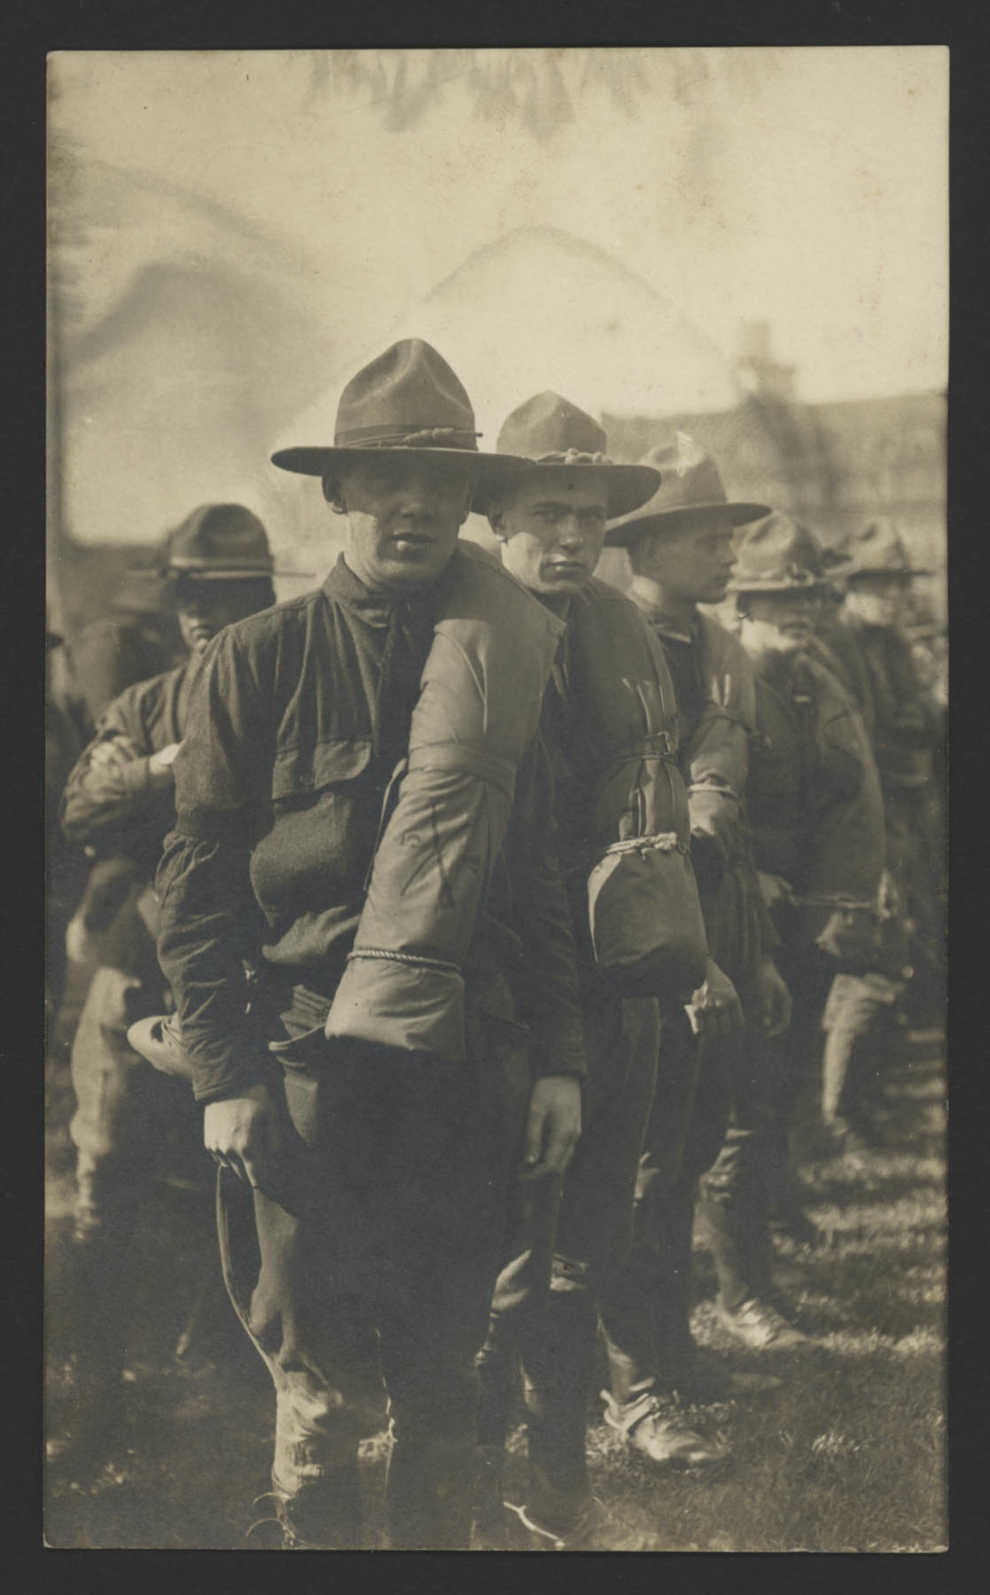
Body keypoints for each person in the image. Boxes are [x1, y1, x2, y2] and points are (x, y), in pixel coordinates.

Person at [150, 340, 589, 1551]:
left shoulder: (509, 657)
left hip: (465, 1071)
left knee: (450, 1367)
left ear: (469, 503)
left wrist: (559, 1057)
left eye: (443, 487)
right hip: (304, 1076)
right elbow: (194, 883)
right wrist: (225, 1075)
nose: (415, 507)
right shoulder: (257, 660)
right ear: (338, 491)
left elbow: (538, 871)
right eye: (386, 481)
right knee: (323, 1385)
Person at [473, 394, 710, 1547]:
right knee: (499, 1247)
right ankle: (474, 1467)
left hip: (617, 986)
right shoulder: (448, 623)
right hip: (499, 992)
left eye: (586, 514)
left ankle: (558, 1471)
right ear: (496, 515)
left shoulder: (625, 631)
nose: (567, 535)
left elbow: (666, 780)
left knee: (589, 1239)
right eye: (541, 512)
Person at [49, 505, 285, 1471]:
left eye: (231, 597)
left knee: (250, 1184)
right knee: (107, 1180)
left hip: (241, 979)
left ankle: (239, 1398)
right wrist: (160, 768)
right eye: (193, 596)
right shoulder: (147, 704)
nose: (209, 616)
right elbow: (79, 804)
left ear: (262, 602)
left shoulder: (291, 697)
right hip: (133, 973)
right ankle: (91, 1398)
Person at [596, 438, 795, 1475]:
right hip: (637, 944)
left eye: (730, 533)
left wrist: (741, 954)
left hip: (707, 936)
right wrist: (684, 956)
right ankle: (634, 1385)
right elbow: (637, 828)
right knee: (638, 1165)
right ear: (644, 544)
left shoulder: (707, 643)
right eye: (705, 534)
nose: (727, 550)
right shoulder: (602, 637)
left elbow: (733, 833)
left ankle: (670, 1351)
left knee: (681, 1154)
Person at [720, 512, 886, 1228]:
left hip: (809, 907)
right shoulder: (721, 679)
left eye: (812, 597)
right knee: (745, 1093)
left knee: (785, 1072)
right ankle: (740, 1271)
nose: (802, 611)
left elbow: (850, 783)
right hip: (744, 909)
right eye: (781, 598)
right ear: (744, 603)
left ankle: (777, 1203)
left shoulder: (816, 674)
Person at [836, 520, 944, 1027]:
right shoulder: (837, 645)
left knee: (918, 906)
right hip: (865, 803)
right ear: (850, 587)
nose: (894, 594)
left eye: (900, 583)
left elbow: (922, 715)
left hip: (905, 795)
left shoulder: (894, 645)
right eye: (880, 583)